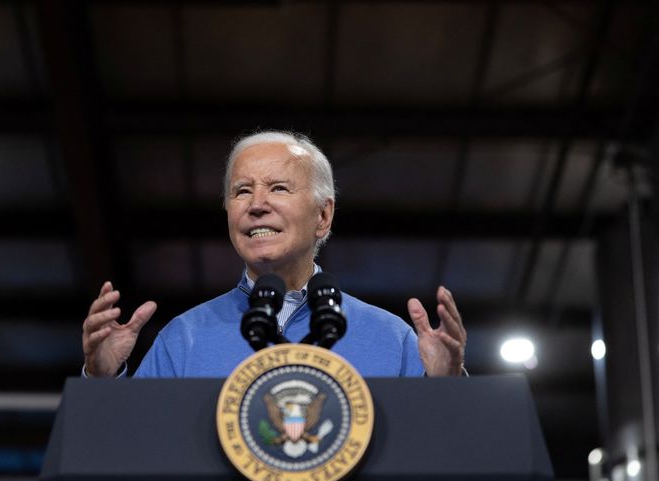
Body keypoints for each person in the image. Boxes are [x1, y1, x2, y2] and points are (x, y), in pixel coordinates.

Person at [82, 131, 466, 378]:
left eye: (279, 188)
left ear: (323, 215)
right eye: (241, 191)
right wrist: (101, 382)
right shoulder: (183, 339)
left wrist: (449, 389)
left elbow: (447, 456)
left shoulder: (392, 339)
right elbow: (131, 453)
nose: (257, 205)